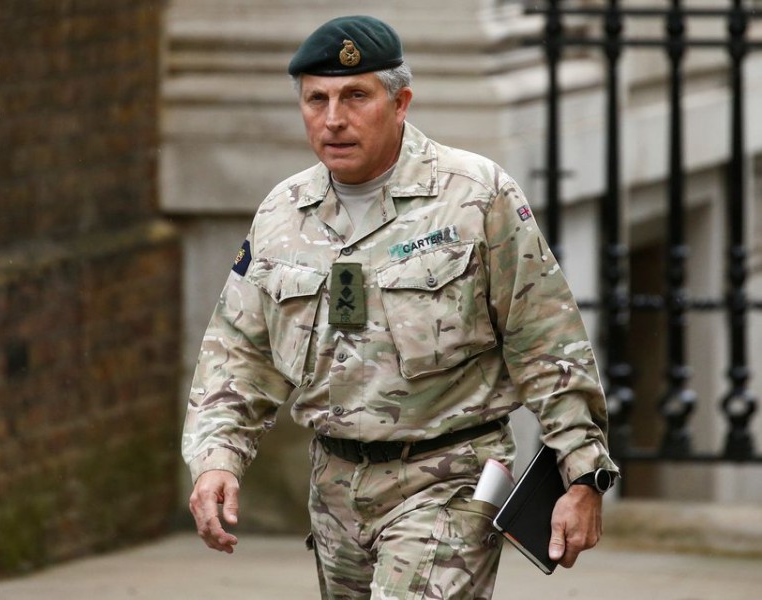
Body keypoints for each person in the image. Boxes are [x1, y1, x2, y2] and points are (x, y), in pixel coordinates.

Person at [182, 14, 619, 600]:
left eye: (355, 96)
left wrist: (583, 472)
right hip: (333, 490)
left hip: (446, 481)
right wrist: (216, 461)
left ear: (400, 102)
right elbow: (238, 354)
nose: (333, 118)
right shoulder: (282, 214)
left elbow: (545, 339)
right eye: (317, 99)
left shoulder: (474, 196)